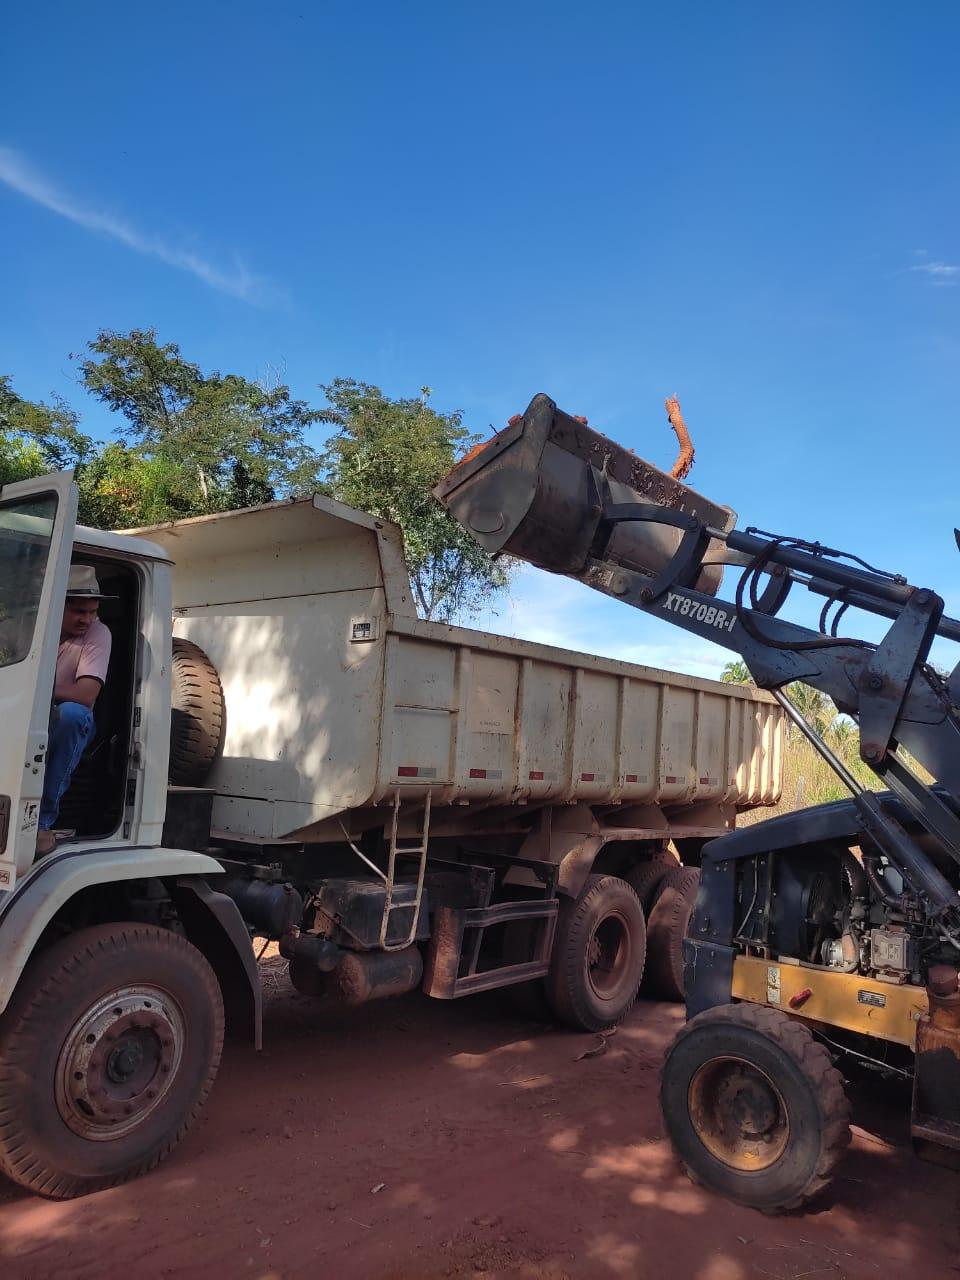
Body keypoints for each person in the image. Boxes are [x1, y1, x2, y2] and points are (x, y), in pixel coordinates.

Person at [37, 565, 114, 855]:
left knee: (72, 715)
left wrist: (36, 693)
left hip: (65, 719)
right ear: (58, 604)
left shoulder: (98, 633)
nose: (87, 619)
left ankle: (42, 823)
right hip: (28, 713)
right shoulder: (35, 627)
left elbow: (85, 695)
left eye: (92, 611)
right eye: (80, 611)